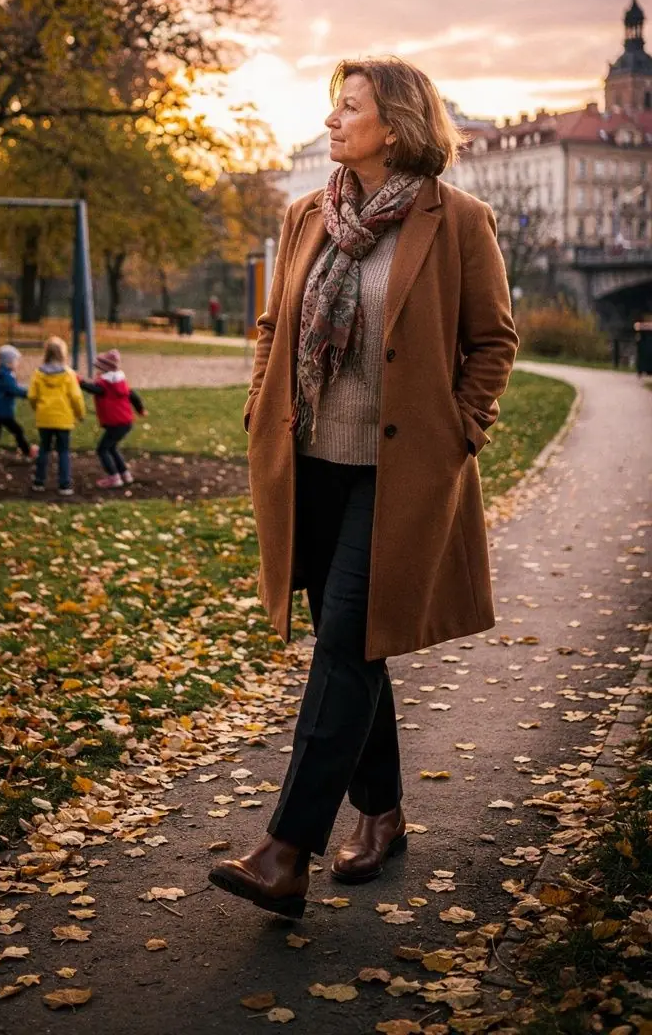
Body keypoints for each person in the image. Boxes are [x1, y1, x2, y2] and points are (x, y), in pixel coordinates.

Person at [209, 56, 519, 921]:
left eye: (349, 108)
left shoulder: (456, 220)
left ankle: (286, 850)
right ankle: (380, 814)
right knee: (360, 643)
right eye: (334, 106)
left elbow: (493, 340)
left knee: (345, 641)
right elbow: (274, 322)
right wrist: (259, 396)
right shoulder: (307, 211)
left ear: (398, 123)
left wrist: (461, 429)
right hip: (308, 466)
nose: (333, 121)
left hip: (399, 475)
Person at [79, 349, 147, 490]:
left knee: (102, 449)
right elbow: (134, 396)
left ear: (105, 370)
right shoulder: (121, 382)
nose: (97, 372)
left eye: (99, 369)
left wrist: (79, 381)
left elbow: (92, 389)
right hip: (125, 422)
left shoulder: (104, 384)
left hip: (116, 423)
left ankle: (114, 477)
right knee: (112, 447)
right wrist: (140, 410)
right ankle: (125, 474)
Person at [28, 336, 85, 496]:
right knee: (63, 451)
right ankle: (64, 484)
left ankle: (39, 481)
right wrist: (80, 414)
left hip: (44, 419)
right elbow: (76, 397)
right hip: (63, 420)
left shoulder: (38, 374)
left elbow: (32, 396)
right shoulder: (68, 375)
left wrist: (37, 409)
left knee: (44, 450)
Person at [0, 344, 38, 461]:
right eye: (15, 361)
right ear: (8, 362)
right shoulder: (5, 375)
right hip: (1, 412)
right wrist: (31, 393)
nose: (17, 363)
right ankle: (27, 452)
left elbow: (14, 387)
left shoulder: (3, 374)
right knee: (17, 431)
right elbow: (15, 390)